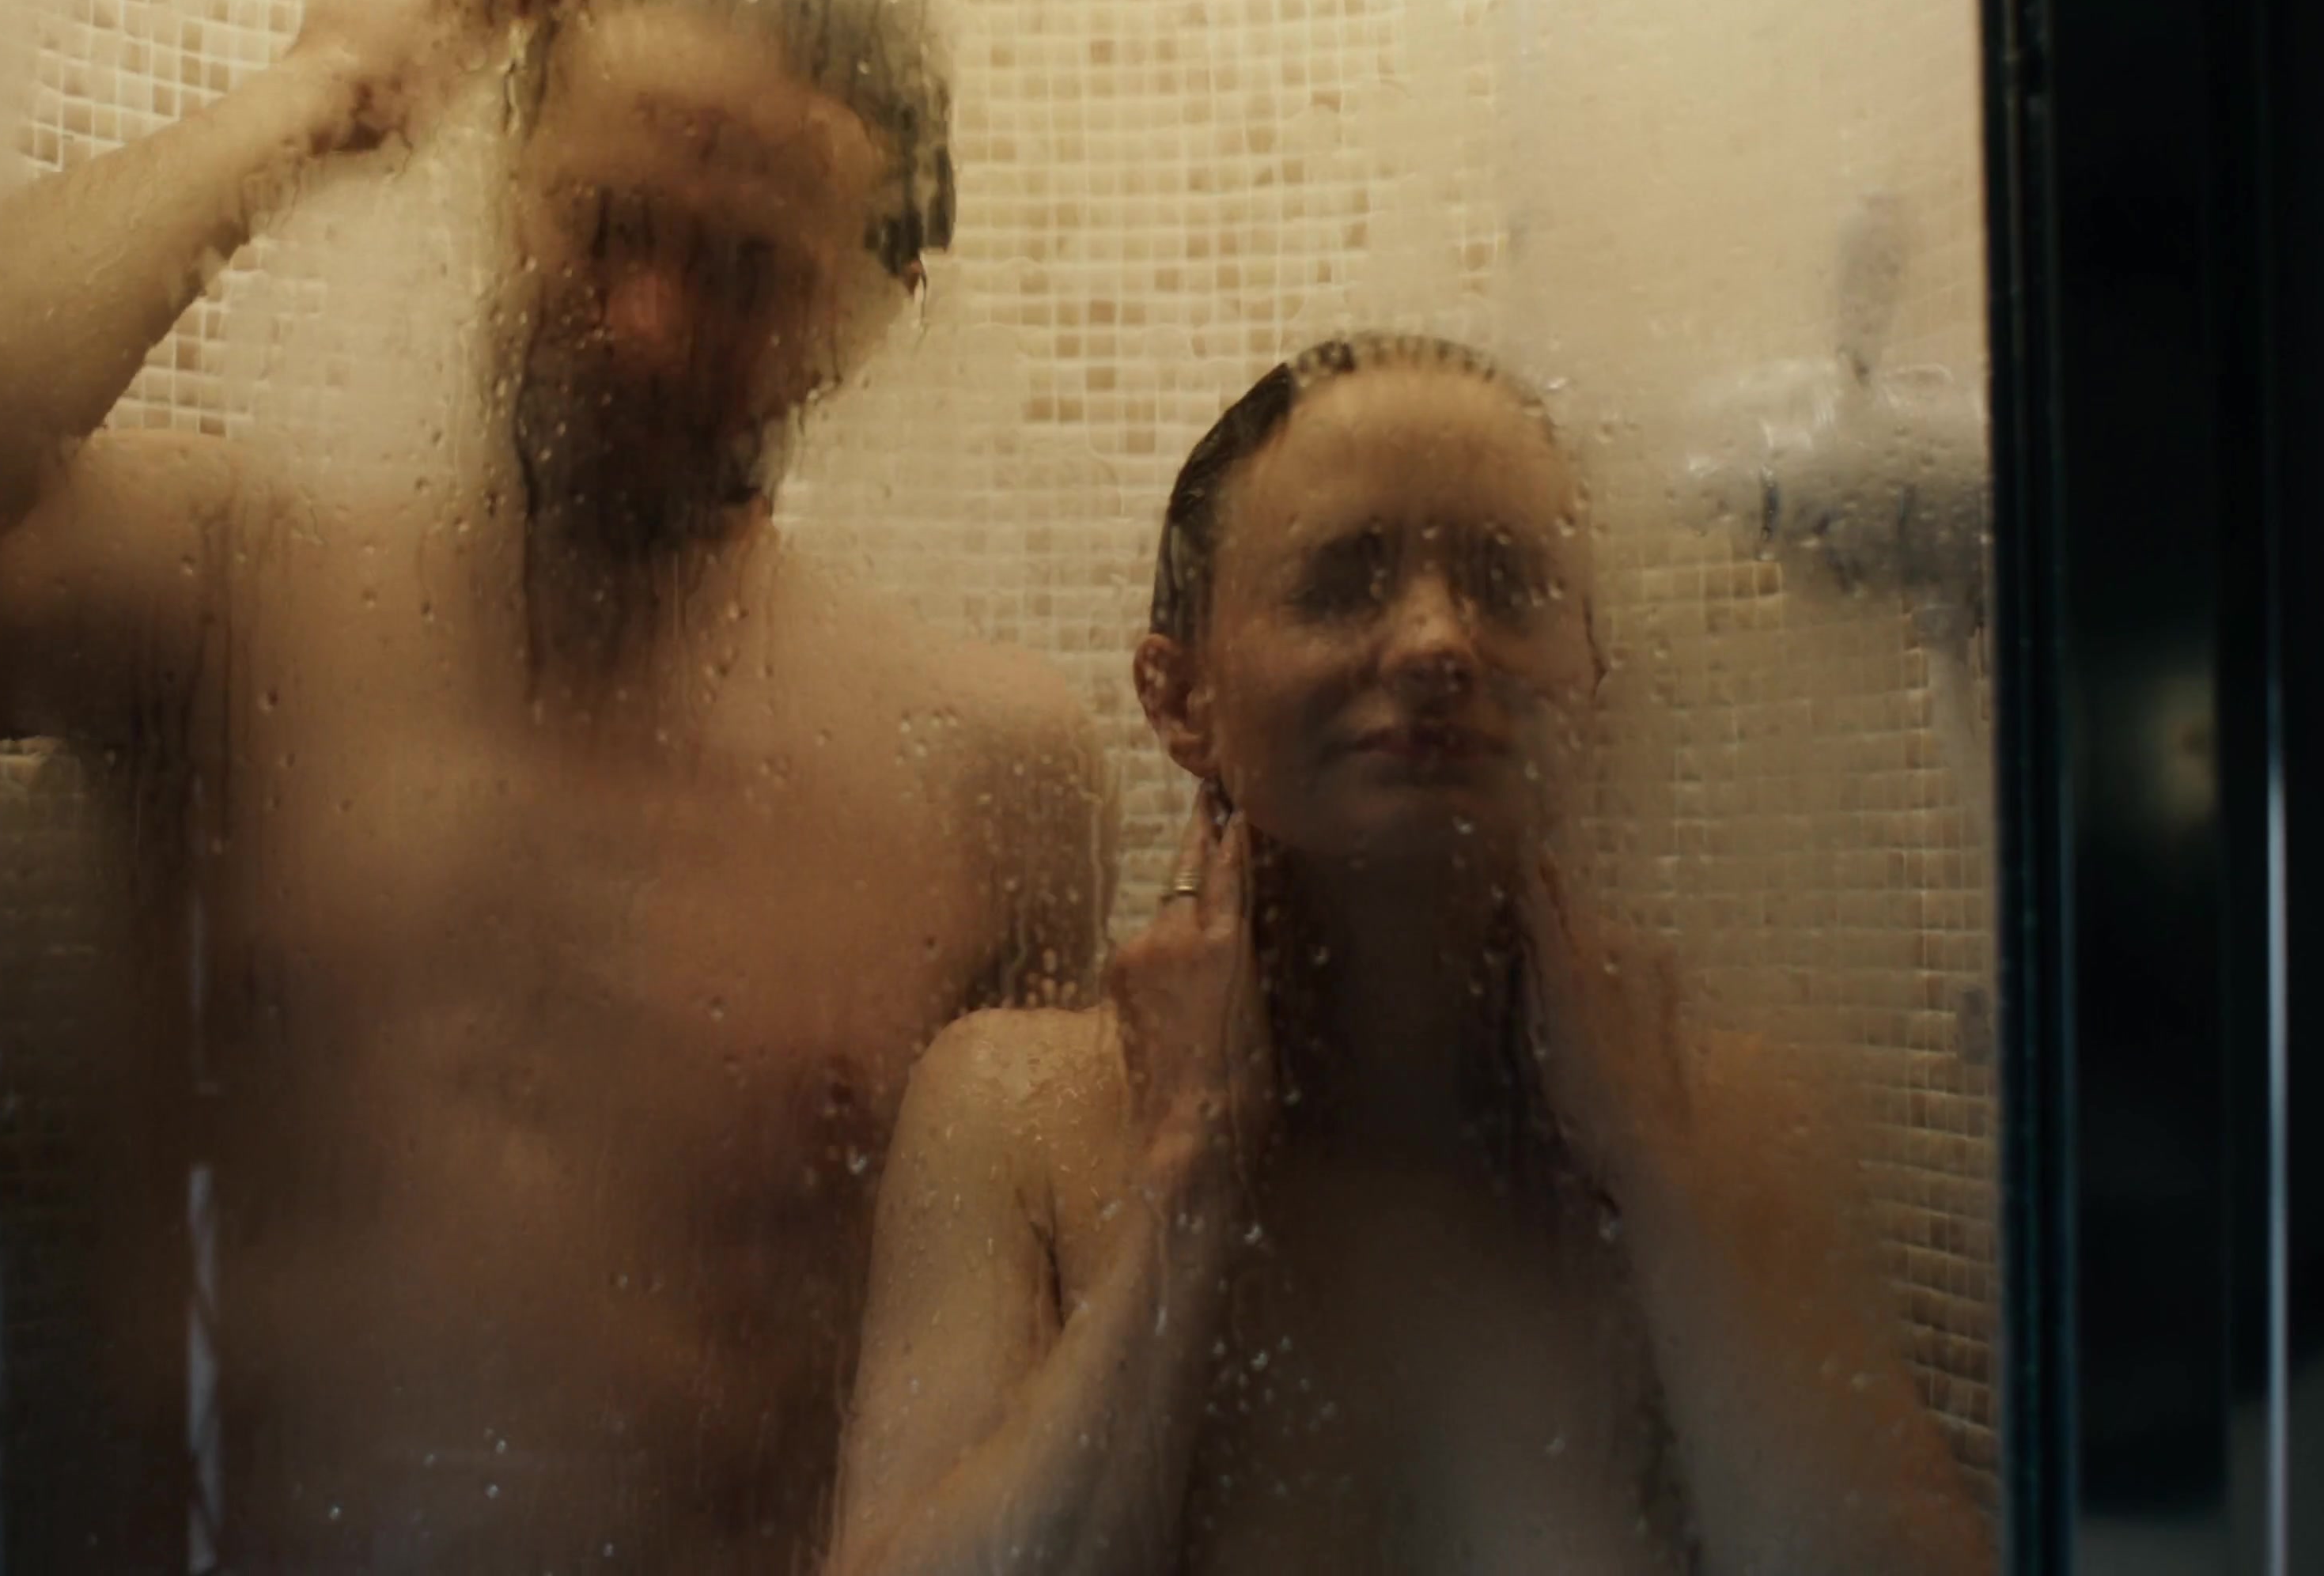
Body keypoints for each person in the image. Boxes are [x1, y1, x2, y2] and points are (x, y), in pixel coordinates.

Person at [0, 0, 1105, 1574]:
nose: (645, 323)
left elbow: (996, 1386)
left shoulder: (990, 772)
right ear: (510, 187)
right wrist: (327, 91)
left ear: (875, 305)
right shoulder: (238, 597)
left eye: (746, 270)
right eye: (603, 225)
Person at [827, 334, 1995, 1574]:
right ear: (1179, 699)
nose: (1441, 643)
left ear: (1589, 678)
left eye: (1507, 583)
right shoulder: (1016, 1111)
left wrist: (1660, 1183)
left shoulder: (1724, 1114)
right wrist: (1187, 1186)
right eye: (1343, 583)